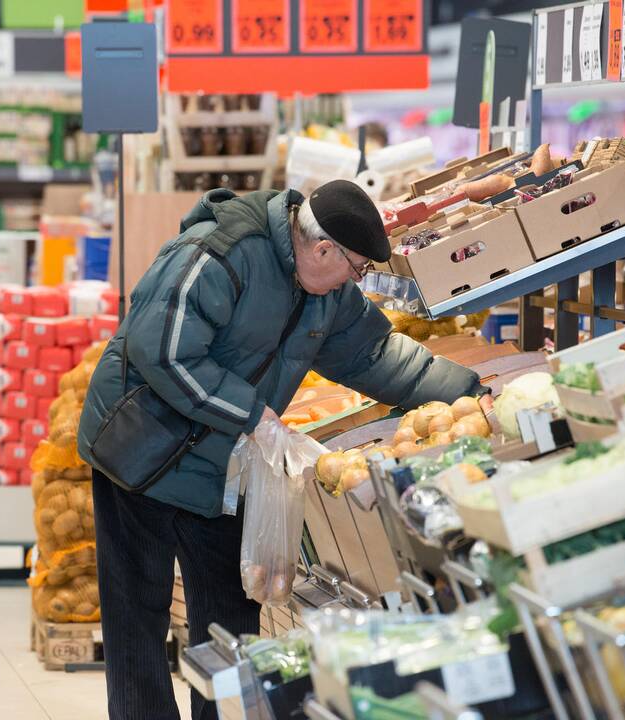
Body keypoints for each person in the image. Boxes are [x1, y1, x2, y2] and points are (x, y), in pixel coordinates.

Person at [77, 180, 490, 720]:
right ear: (323, 250)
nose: (356, 280)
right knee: (137, 620)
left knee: (231, 621)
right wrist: (250, 415)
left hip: (225, 467)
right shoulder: (220, 252)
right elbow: (162, 350)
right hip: (140, 451)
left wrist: (469, 393)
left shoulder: (328, 293)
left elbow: (374, 354)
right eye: (358, 267)